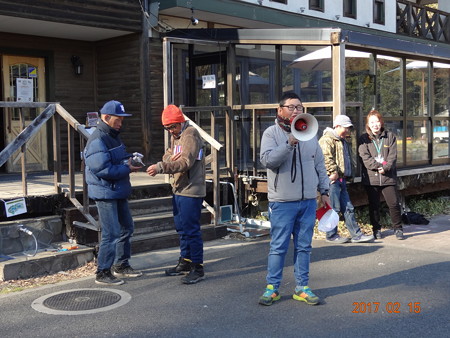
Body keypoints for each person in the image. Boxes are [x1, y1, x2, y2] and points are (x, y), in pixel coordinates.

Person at [258, 92, 331, 306]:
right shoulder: (271, 134)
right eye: (292, 107)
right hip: (282, 202)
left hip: (308, 201)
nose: (296, 111)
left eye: (299, 107)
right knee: (278, 246)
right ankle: (272, 288)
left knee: (304, 246)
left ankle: (302, 287)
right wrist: (289, 143)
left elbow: (319, 165)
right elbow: (268, 161)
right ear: (280, 110)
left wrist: (324, 191)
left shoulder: (310, 134)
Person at [84, 100, 143, 285]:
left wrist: (129, 159)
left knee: (127, 228)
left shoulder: (112, 135)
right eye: (118, 119)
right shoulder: (98, 139)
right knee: (111, 233)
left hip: (116, 190)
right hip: (105, 192)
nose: (121, 122)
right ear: (106, 117)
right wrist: (128, 168)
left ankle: (121, 265)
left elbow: (114, 159)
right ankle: (102, 272)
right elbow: (103, 170)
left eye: (122, 119)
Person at [146, 104, 206, 284]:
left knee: (191, 230)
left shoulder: (190, 134)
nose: (171, 131)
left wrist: (161, 167)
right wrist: (166, 160)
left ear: (181, 122)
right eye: (167, 128)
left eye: (173, 126)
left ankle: (197, 267)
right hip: (179, 188)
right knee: (181, 228)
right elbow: (169, 154)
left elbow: (185, 162)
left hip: (191, 189)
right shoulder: (178, 135)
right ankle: (185, 261)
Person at [319, 115, 374, 244]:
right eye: (346, 128)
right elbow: (325, 157)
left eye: (349, 128)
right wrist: (333, 172)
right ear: (337, 126)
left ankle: (356, 235)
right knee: (334, 208)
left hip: (341, 179)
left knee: (348, 208)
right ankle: (331, 235)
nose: (348, 131)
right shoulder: (326, 139)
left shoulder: (342, 140)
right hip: (332, 180)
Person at [358, 109, 405, 240]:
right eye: (372, 122)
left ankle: (398, 228)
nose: (375, 124)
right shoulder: (363, 138)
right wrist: (378, 167)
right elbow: (365, 157)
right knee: (374, 205)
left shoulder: (390, 136)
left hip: (388, 177)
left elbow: (392, 156)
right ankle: (376, 229)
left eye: (377, 121)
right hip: (371, 178)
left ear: (381, 122)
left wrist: (386, 168)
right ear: (368, 124)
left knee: (394, 204)